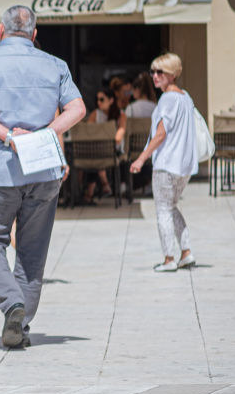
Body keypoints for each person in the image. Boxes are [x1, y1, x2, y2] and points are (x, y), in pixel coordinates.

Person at [0, 5, 86, 349]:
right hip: (43, 169)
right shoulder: (55, 64)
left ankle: (11, 304)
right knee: (32, 254)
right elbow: (77, 108)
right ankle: (21, 323)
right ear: (34, 35)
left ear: (0, 31)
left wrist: (8, 136)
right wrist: (45, 132)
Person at [130, 53, 197, 272]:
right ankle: (186, 252)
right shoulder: (186, 97)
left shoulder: (167, 99)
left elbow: (160, 134)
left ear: (173, 73)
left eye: (160, 72)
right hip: (184, 165)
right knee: (171, 207)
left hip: (167, 163)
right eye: (153, 71)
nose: (155, 76)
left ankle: (169, 259)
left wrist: (140, 159)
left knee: (163, 210)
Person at [82, 87, 126, 202]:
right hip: (97, 151)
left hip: (112, 151)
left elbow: (119, 137)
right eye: (97, 99)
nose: (98, 102)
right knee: (94, 155)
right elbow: (87, 132)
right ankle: (104, 182)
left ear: (111, 100)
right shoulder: (96, 114)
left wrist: (100, 139)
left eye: (102, 99)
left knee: (95, 157)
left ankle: (91, 190)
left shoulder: (121, 115)